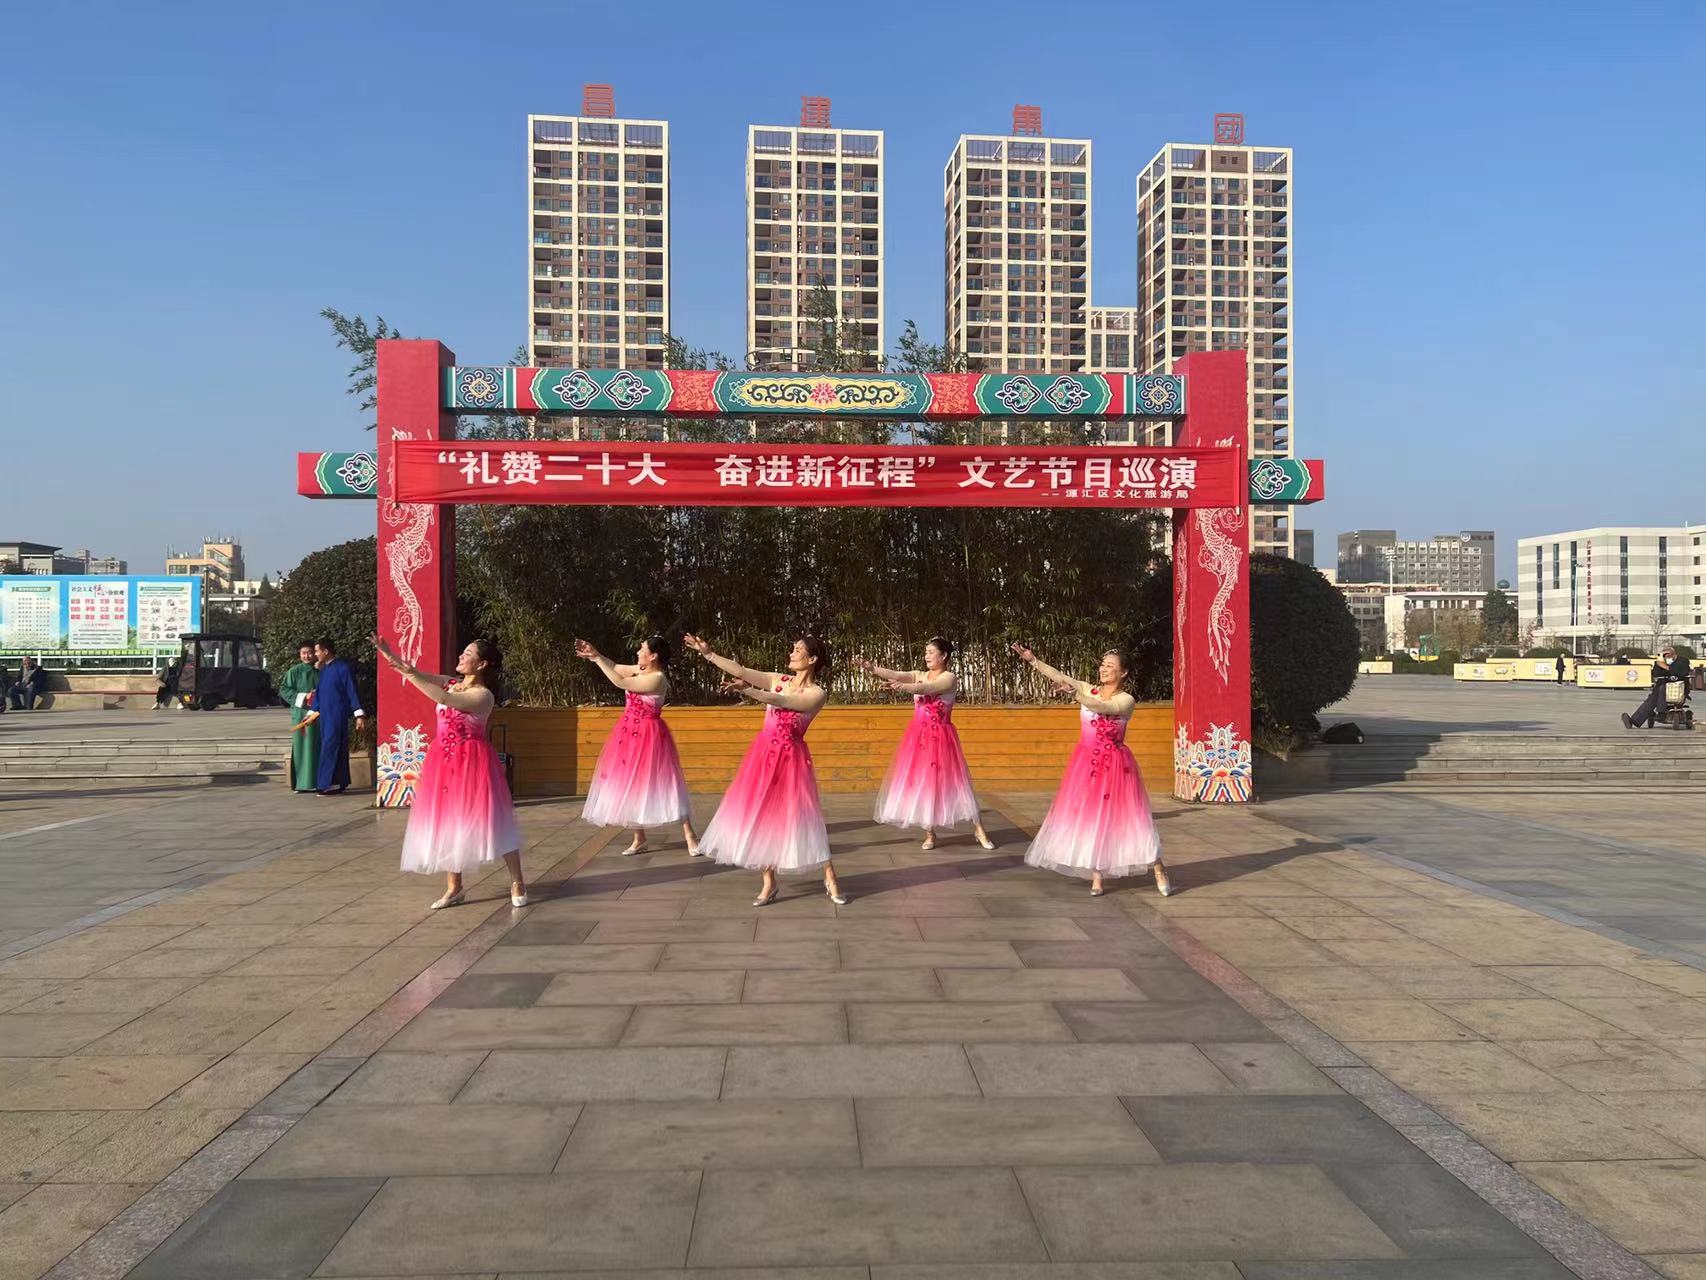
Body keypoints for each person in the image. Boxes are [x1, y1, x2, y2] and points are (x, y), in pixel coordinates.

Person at [683, 631, 846, 907]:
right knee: (761, 815)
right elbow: (740, 670)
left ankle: (830, 877)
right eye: (793, 648)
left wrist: (746, 690)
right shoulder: (777, 679)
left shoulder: (817, 693)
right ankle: (769, 883)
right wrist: (709, 654)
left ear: (812, 659)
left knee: (803, 818)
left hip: (791, 759)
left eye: (798, 650)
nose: (792, 653)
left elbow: (784, 702)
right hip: (763, 755)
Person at [373, 633, 527, 909]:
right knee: (448, 820)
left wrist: (411, 676)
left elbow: (443, 697)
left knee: (494, 820)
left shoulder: (482, 695)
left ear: (482, 664)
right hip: (444, 760)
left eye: (468, 653)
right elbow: (415, 672)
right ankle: (454, 888)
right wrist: (389, 655)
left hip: (473, 762)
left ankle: (517, 880)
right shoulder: (452, 682)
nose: (461, 656)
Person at [1010, 641, 1171, 897]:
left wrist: (1073, 694)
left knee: (1131, 820)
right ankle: (1097, 876)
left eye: (1110, 666)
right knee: (1091, 819)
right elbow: (1059, 676)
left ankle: (1158, 867)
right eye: (1102, 665)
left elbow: (1102, 708)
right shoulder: (1088, 689)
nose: (1103, 669)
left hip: (1117, 767)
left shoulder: (1126, 700)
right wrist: (1032, 660)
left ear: (1123, 672)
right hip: (1087, 765)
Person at [855, 637, 996, 851]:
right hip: (919, 740)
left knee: (958, 784)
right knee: (923, 784)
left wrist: (902, 687)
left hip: (942, 739)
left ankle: (979, 829)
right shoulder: (919, 675)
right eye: (926, 652)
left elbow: (930, 688)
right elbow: (895, 674)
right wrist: (871, 667)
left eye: (931, 652)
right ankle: (929, 833)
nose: (927, 655)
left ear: (944, 656)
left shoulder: (949, 678)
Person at [574, 634, 699, 857]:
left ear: (653, 656)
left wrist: (598, 660)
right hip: (628, 732)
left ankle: (690, 835)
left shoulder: (657, 679)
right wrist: (595, 655)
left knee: (666, 783)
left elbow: (620, 682)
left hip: (649, 734)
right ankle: (639, 837)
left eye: (642, 649)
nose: (638, 652)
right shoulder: (640, 670)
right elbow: (615, 667)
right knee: (629, 782)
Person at [312, 638, 365, 794]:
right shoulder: (324, 670)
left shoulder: (343, 668)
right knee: (332, 746)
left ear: (325, 651)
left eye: (317, 651)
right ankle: (337, 782)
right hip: (325, 715)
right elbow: (319, 693)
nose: (316, 654)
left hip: (337, 715)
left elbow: (352, 690)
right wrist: (313, 712)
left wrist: (359, 714)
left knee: (331, 746)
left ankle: (326, 784)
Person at [278, 642, 321, 792]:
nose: (306, 656)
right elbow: (284, 690)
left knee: (318, 746)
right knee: (302, 747)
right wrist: (303, 697)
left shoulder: (321, 670)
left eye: (309, 652)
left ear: (315, 653)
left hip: (319, 714)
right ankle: (302, 783)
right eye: (303, 653)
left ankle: (319, 781)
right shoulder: (294, 671)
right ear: (299, 654)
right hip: (301, 714)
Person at [1623, 646, 1692, 729]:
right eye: (1664, 656)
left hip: (1679, 688)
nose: (1667, 658)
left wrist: (1666, 667)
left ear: (1673, 654)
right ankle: (1634, 721)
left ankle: (1661, 712)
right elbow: (1656, 674)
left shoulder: (1683, 661)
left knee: (1663, 688)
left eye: (1668, 655)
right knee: (1650, 701)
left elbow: (1683, 672)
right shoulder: (1660, 662)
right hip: (1661, 688)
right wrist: (1659, 664)